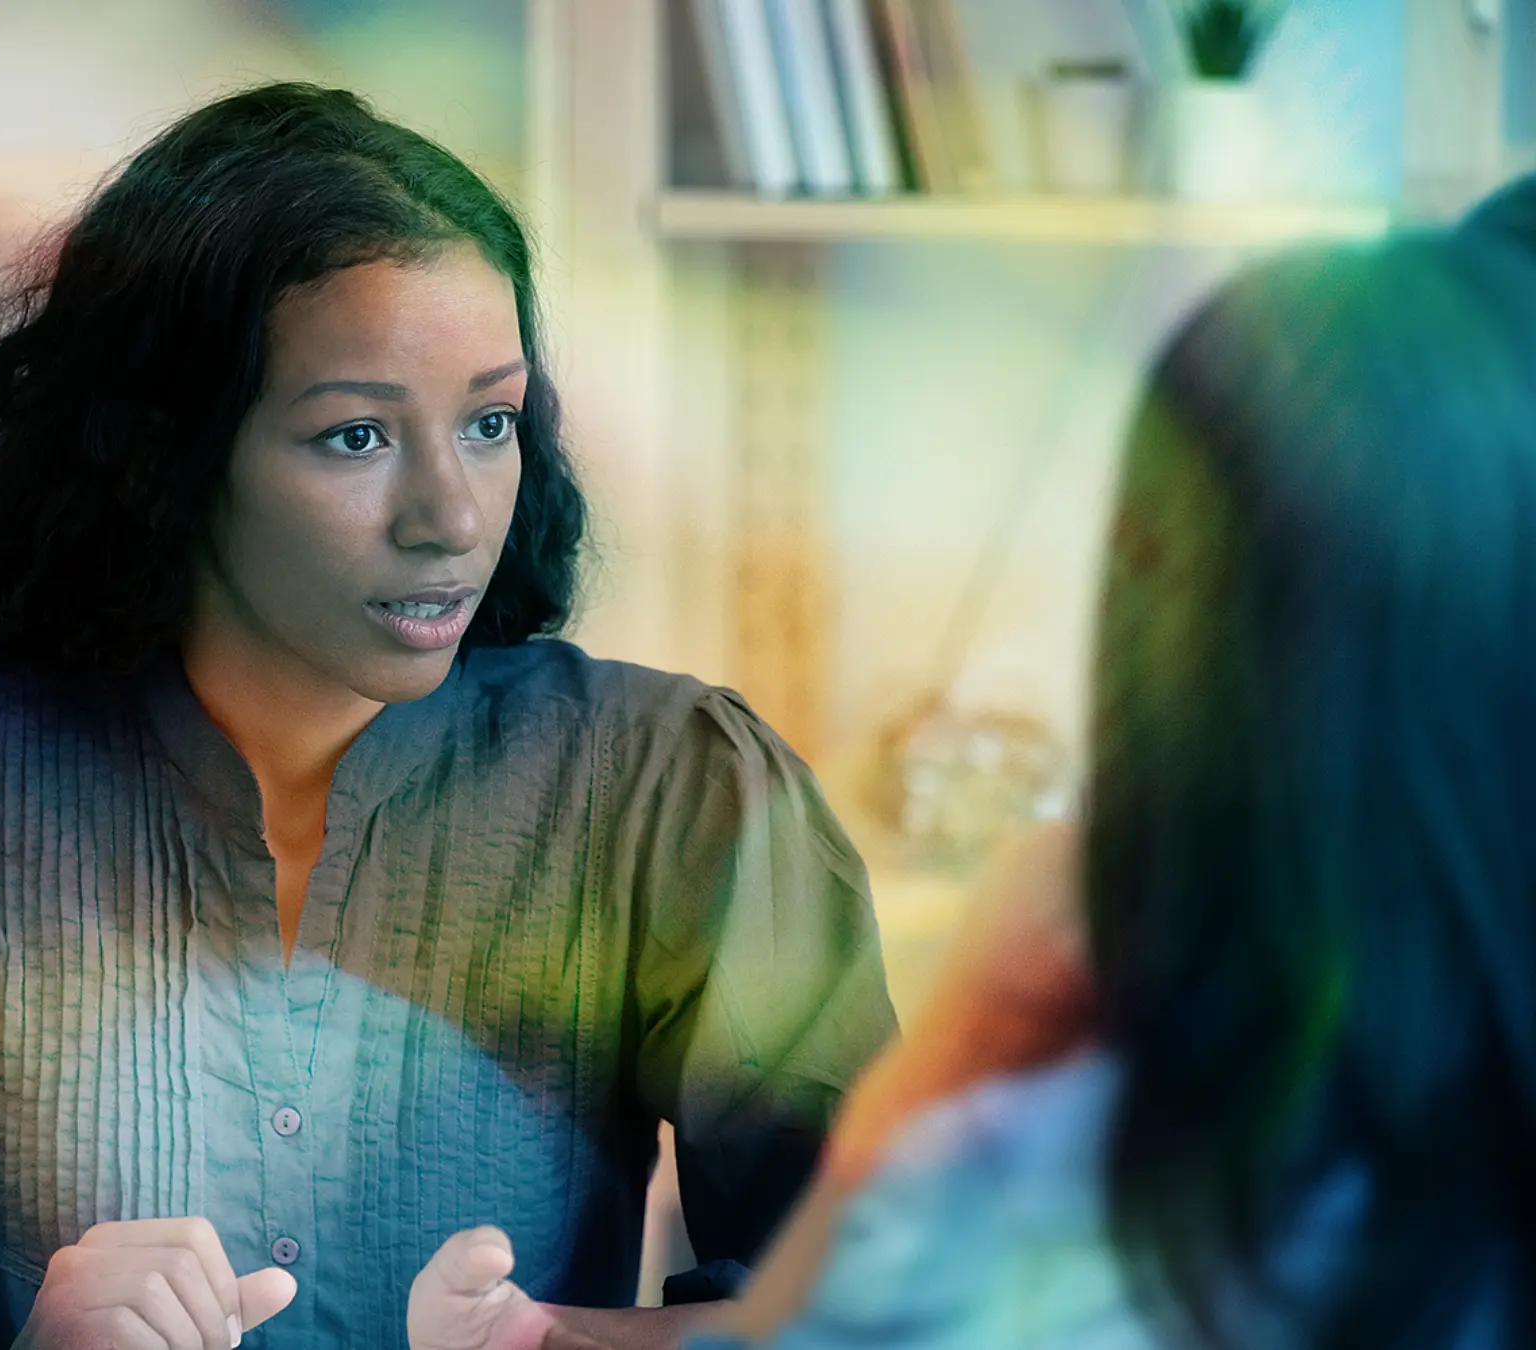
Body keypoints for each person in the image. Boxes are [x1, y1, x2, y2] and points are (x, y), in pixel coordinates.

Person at [0, 83, 896, 1350]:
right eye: (356, 438)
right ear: (161, 455)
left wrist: (561, 1343)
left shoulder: (673, 789)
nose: (453, 517)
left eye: (490, 422)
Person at [412, 227, 1536, 1349]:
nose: (447, 516)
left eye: (492, 423)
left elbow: (822, 1322)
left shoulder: (1051, 1181)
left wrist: (946, 1065)